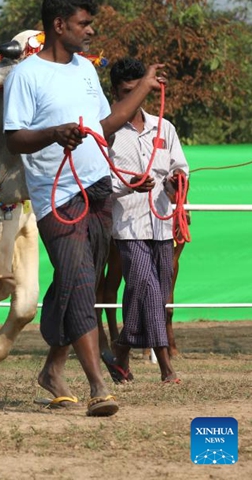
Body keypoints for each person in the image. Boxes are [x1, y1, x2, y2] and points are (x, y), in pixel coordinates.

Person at [3, 0, 165, 416]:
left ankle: (52, 371)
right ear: (59, 25)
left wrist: (144, 86)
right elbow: (14, 139)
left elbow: (105, 127)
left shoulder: (86, 69)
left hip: (98, 189)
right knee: (77, 278)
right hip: (56, 198)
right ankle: (98, 386)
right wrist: (55, 133)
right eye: (84, 23)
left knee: (79, 283)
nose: (90, 31)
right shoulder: (26, 75)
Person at [108, 57, 188, 384]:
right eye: (129, 91)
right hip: (127, 226)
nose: (137, 97)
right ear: (116, 92)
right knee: (148, 288)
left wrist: (176, 184)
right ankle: (166, 367)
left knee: (149, 292)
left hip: (162, 223)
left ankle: (119, 354)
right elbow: (96, 181)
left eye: (140, 90)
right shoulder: (107, 131)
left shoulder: (164, 127)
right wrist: (128, 185)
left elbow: (179, 168)